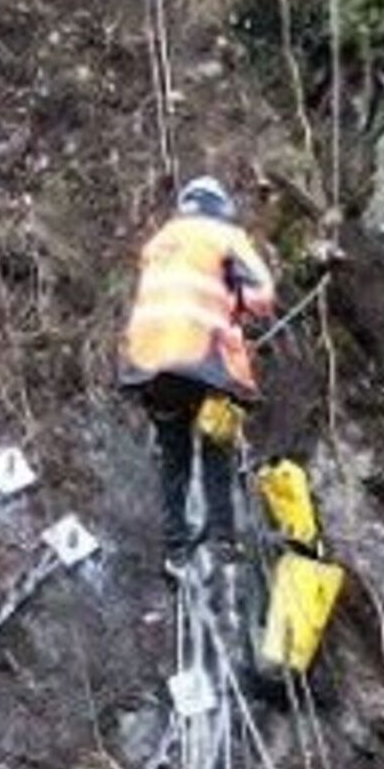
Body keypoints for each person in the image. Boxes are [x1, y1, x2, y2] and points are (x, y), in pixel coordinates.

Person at [113, 176, 280, 561]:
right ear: (221, 208)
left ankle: (175, 549)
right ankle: (222, 539)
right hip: (203, 364)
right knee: (216, 443)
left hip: (148, 368)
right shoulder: (225, 236)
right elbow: (262, 296)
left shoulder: (159, 243)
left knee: (174, 455)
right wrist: (236, 300)